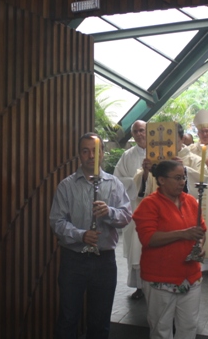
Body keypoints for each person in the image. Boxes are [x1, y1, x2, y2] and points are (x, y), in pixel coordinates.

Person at [49, 132, 132, 339]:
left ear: (103, 153)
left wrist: (109, 212)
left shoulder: (114, 184)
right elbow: (56, 222)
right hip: (73, 260)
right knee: (68, 317)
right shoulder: (67, 186)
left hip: (104, 261)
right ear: (79, 154)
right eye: (85, 151)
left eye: (95, 151)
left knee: (100, 321)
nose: (91, 156)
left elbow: (126, 216)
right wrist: (81, 235)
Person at [133, 160, 207, 339]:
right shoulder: (150, 204)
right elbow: (148, 238)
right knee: (161, 329)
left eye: (183, 178)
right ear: (162, 180)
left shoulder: (190, 201)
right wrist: (183, 234)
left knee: (189, 326)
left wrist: (199, 245)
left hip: (190, 276)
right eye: (177, 178)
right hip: (160, 278)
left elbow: (201, 230)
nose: (182, 182)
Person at [113, 120, 147, 299]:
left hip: (155, 209)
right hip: (134, 208)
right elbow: (117, 179)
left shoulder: (160, 152)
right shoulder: (127, 156)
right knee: (136, 247)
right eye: (136, 131)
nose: (139, 134)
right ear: (132, 134)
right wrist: (138, 179)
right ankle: (139, 287)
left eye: (142, 130)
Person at [192, 109, 208, 271]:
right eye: (202, 132)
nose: (205, 134)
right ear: (198, 133)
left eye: (207, 131)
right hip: (197, 194)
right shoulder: (192, 149)